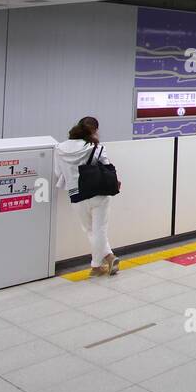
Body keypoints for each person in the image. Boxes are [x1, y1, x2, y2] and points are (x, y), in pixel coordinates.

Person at [55, 116, 120, 277]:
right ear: (95, 130)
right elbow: (107, 166)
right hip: (99, 192)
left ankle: (99, 265)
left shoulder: (59, 148)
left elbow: (58, 173)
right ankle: (103, 261)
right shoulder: (96, 147)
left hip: (76, 194)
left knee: (90, 230)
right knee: (99, 230)